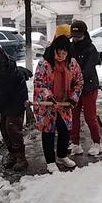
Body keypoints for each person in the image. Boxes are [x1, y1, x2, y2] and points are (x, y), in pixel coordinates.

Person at [33, 35, 83, 173]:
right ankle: (50, 161)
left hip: (65, 103)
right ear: (53, 49)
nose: (61, 56)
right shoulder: (44, 63)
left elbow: (79, 81)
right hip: (47, 104)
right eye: (58, 52)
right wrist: (50, 98)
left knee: (65, 130)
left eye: (64, 53)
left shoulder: (72, 63)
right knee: (48, 131)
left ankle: (61, 156)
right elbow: (39, 83)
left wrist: (73, 98)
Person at [0, 42, 31, 171]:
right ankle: (12, 154)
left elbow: (3, 96)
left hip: (16, 99)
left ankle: (21, 157)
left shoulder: (5, 71)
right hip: (5, 100)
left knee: (12, 128)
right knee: (3, 127)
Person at [69, 20, 102, 156]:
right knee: (74, 117)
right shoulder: (70, 47)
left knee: (90, 117)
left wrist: (75, 78)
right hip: (74, 88)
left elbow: (88, 69)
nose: (76, 38)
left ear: (84, 34)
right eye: (74, 36)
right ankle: (75, 144)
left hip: (89, 87)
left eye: (78, 36)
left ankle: (97, 143)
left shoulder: (91, 49)